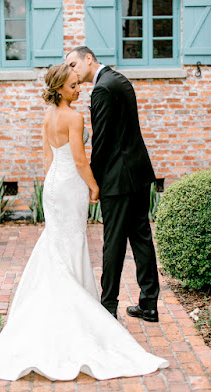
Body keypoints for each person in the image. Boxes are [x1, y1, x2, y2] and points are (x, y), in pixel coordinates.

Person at [0, 64, 168, 382]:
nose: (79, 89)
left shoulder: (47, 115)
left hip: (53, 185)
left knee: (58, 243)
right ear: (60, 88)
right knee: (72, 242)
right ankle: (78, 305)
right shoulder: (74, 117)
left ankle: (60, 304)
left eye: (78, 84)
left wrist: (51, 186)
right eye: (73, 86)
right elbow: (80, 159)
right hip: (71, 184)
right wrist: (95, 187)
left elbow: (48, 157)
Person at [66, 46, 160, 322]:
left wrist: (92, 181)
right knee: (141, 237)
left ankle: (107, 307)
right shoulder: (119, 79)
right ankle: (149, 304)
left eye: (73, 64)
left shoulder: (102, 89)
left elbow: (102, 142)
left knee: (114, 242)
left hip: (118, 180)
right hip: (139, 173)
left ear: (88, 58)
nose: (71, 71)